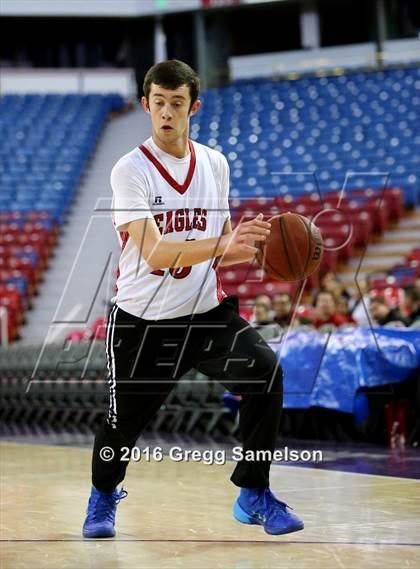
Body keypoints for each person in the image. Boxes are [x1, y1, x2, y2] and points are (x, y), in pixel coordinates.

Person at [82, 60, 303, 539]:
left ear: (193, 107)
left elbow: (219, 247)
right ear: (146, 105)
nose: (166, 112)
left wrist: (253, 249)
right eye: (158, 103)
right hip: (143, 321)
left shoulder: (216, 164)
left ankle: (253, 492)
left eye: (176, 103)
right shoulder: (129, 170)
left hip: (206, 315)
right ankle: (102, 496)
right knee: (122, 427)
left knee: (266, 373)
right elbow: (157, 252)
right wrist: (224, 245)